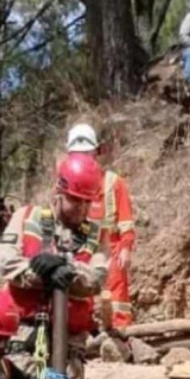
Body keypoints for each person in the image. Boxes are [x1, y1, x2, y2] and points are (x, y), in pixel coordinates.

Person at [0, 152, 107, 379]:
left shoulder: (96, 235)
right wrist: (41, 272)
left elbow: (96, 280)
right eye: (76, 200)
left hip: (70, 338)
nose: (82, 208)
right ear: (59, 192)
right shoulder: (26, 217)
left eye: (88, 202)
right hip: (24, 332)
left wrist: (65, 267)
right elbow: (7, 262)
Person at [67, 123, 136, 329]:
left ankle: (119, 330)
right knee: (79, 289)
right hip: (80, 246)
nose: (83, 160)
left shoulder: (113, 182)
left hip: (111, 245)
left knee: (116, 288)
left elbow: (125, 219)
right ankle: (83, 330)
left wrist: (125, 247)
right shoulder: (65, 183)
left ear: (96, 153)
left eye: (86, 154)